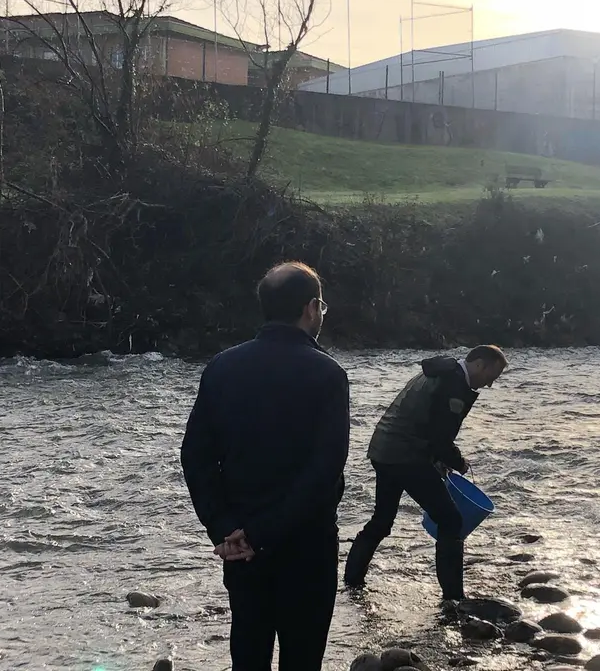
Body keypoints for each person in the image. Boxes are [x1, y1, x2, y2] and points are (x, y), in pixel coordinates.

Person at [181, 261, 350, 671]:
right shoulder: (328, 374)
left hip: (240, 547)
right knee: (302, 660)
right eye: (321, 307)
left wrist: (223, 527)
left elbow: (196, 455)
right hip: (305, 545)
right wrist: (262, 534)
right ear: (311, 308)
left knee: (249, 657)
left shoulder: (222, 366)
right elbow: (324, 472)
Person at [344, 346, 507, 602]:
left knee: (382, 520)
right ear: (479, 364)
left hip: (384, 449)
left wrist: (437, 460)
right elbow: (440, 437)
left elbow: (426, 424)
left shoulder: (441, 371)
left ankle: (352, 581)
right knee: (451, 520)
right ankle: (453, 598)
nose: (489, 385)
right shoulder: (453, 384)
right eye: (491, 376)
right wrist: (457, 462)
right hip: (405, 456)